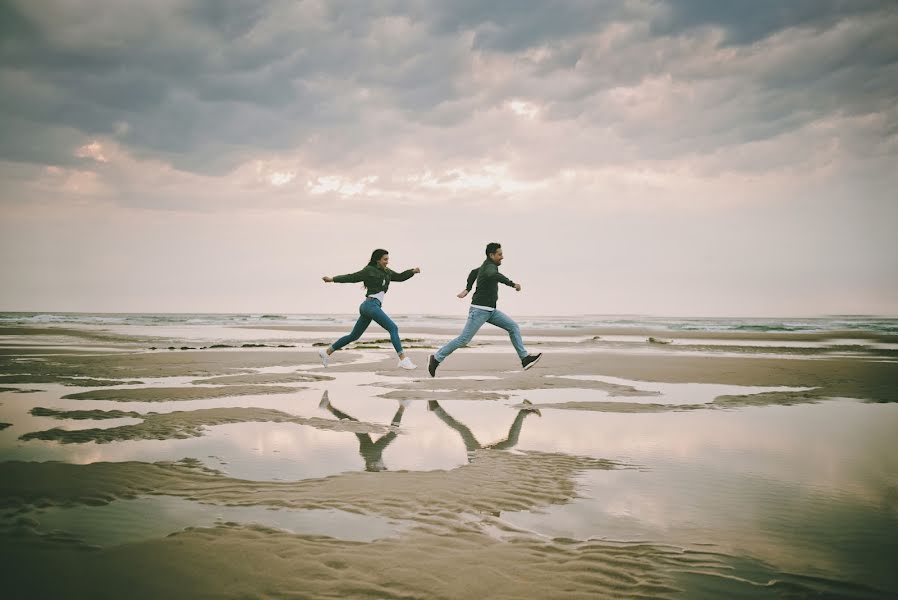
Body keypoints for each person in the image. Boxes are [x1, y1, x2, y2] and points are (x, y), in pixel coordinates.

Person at [428, 242, 541, 377]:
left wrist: (467, 289)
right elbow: (493, 275)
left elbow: (473, 272)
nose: (502, 257)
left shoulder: (485, 266)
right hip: (480, 310)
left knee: (513, 327)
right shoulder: (490, 268)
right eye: (499, 254)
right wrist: (512, 284)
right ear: (491, 255)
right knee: (464, 340)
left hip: (491, 311)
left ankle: (524, 359)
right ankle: (436, 358)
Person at [320, 248, 420, 370]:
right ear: (377, 260)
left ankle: (327, 352)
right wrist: (332, 279)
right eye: (385, 259)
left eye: (388, 259)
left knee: (354, 336)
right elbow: (351, 277)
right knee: (393, 328)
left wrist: (412, 271)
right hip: (370, 305)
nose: (387, 261)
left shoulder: (387, 272)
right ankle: (403, 359)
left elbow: (399, 277)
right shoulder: (369, 270)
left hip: (369, 306)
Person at [318, 391, 406, 472]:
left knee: (393, 433)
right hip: (365, 453)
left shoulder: (378, 472)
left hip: (373, 454)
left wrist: (376, 467)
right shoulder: (378, 470)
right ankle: (328, 406)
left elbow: (376, 470)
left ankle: (402, 406)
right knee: (356, 424)